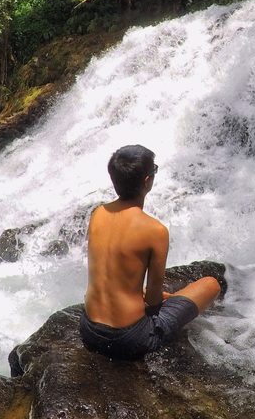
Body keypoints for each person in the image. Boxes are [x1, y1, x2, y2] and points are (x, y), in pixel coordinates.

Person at [79, 144, 221, 360]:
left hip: (89, 330)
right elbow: (153, 298)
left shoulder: (98, 213)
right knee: (210, 284)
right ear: (147, 181)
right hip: (128, 339)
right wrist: (159, 308)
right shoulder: (155, 230)